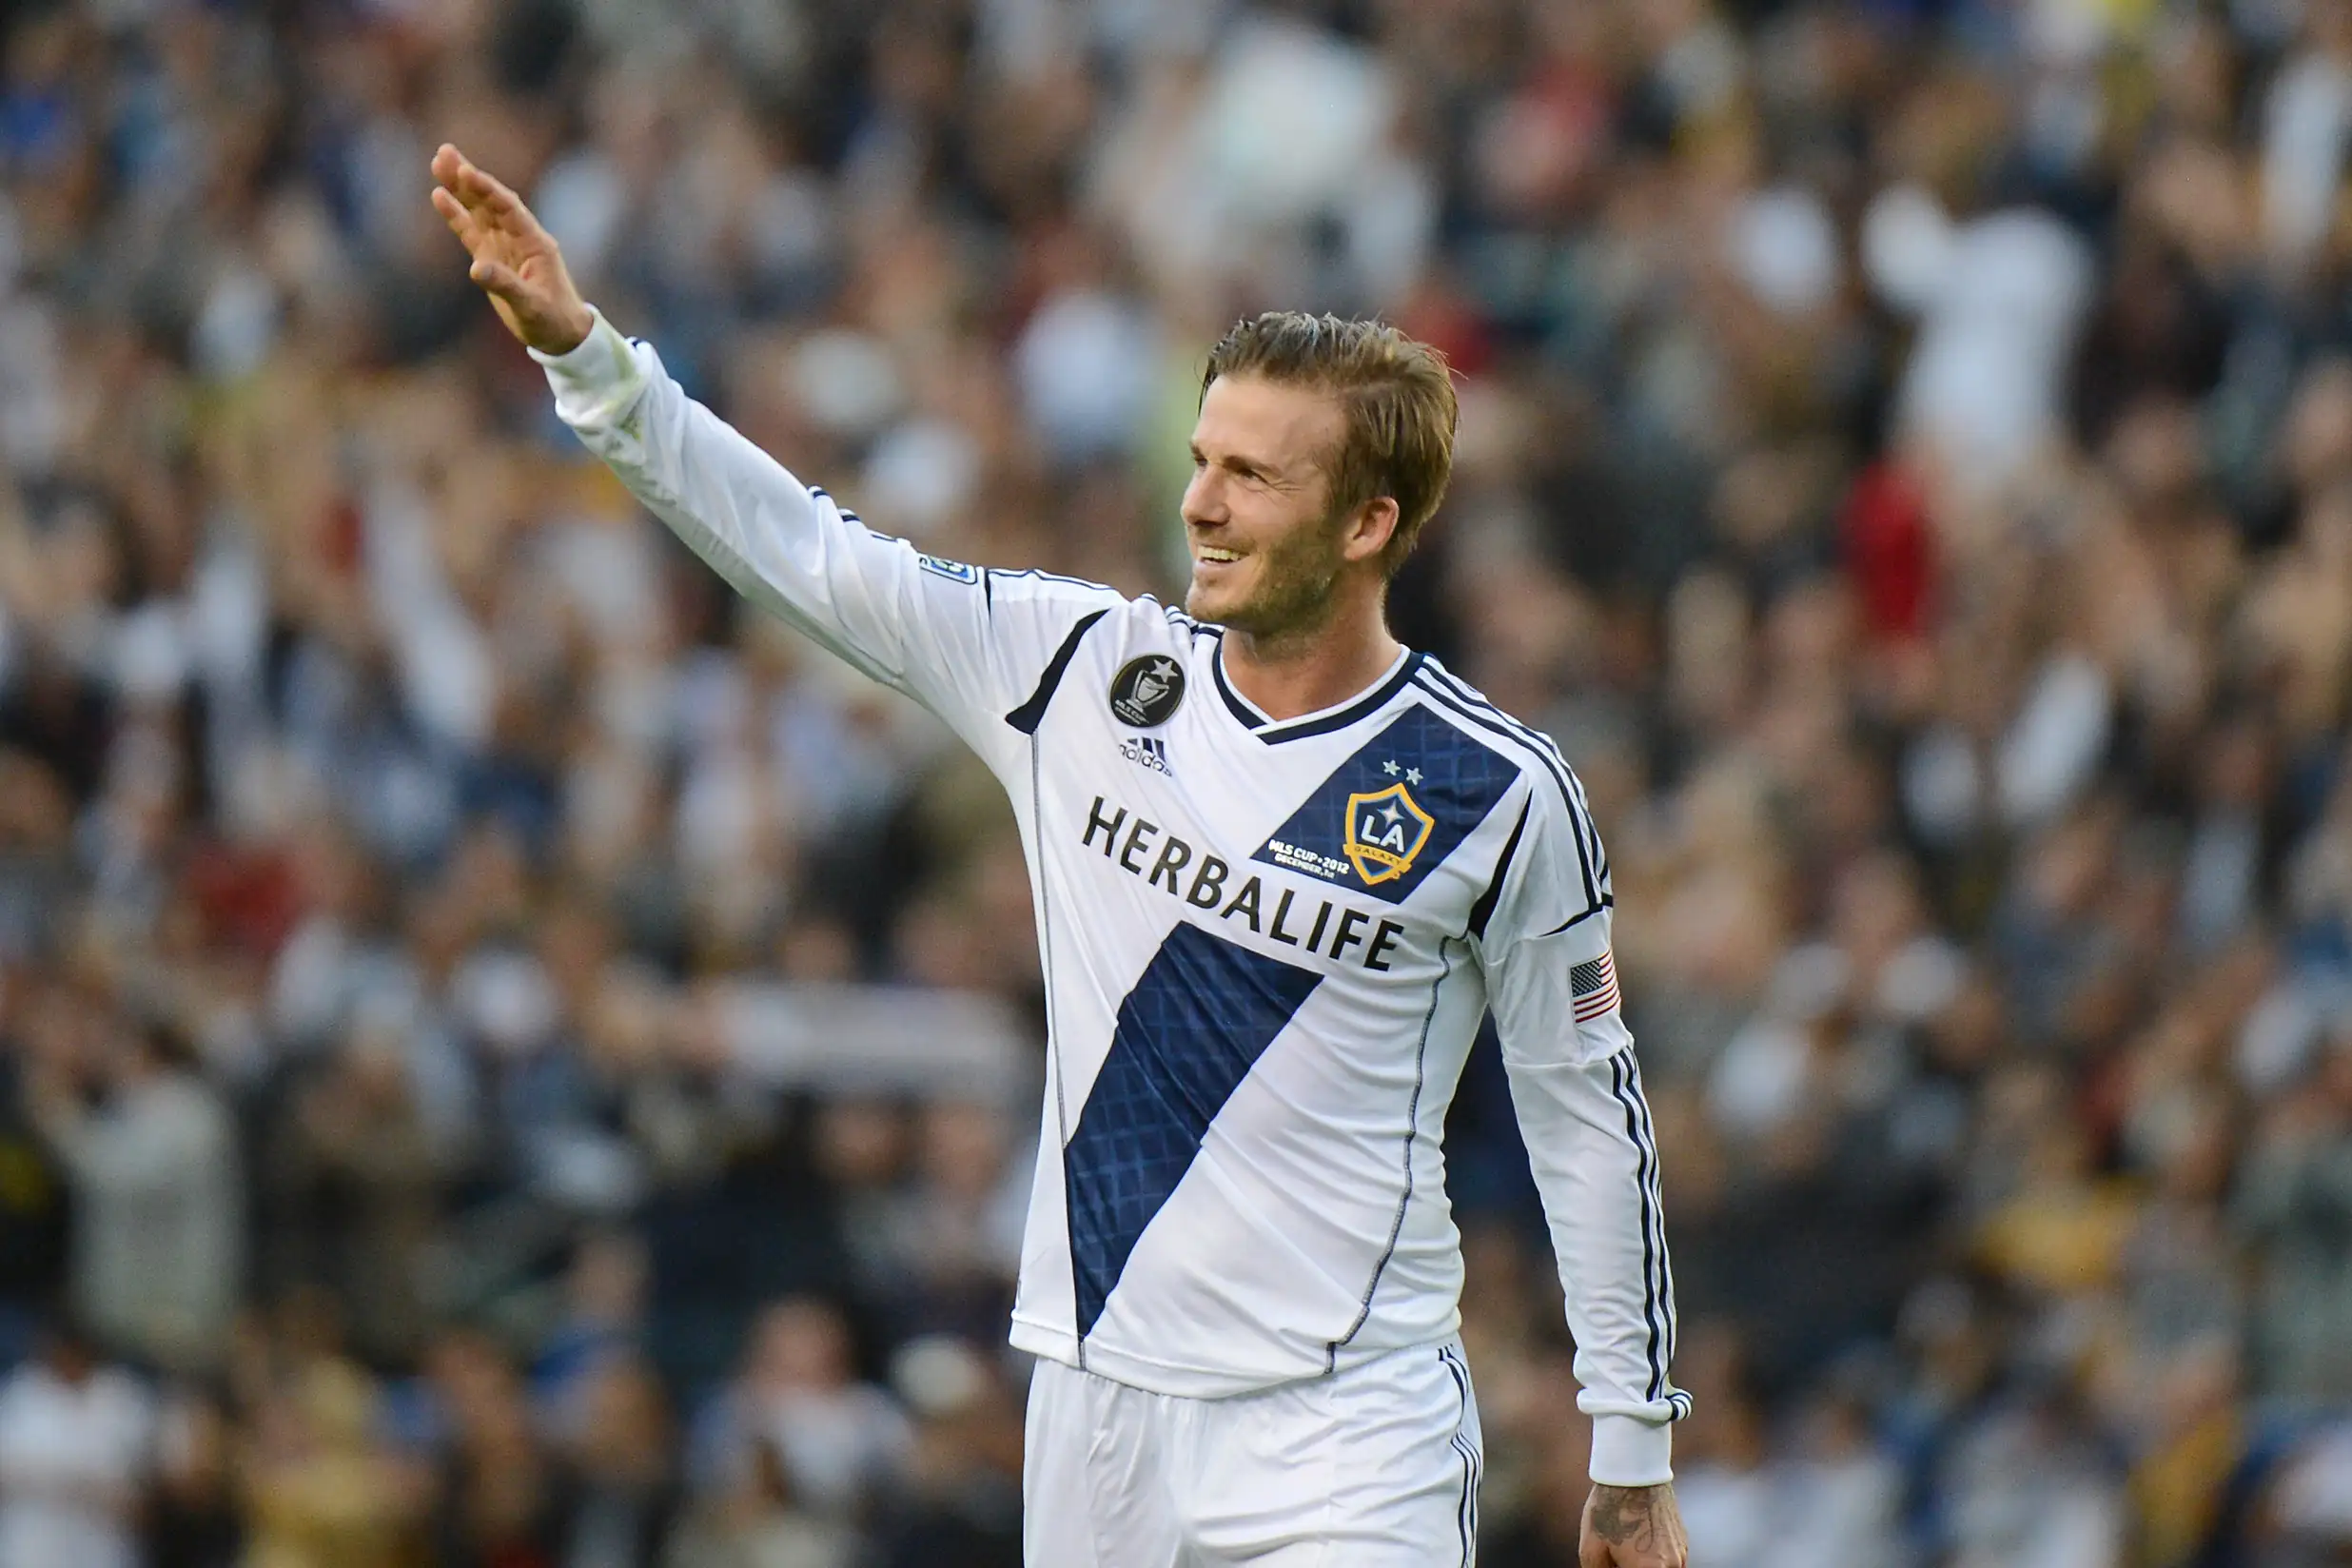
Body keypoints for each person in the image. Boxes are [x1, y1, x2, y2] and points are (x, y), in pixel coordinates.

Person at [431, 142, 1691, 1567]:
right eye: (1202, 461)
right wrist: (593, 362)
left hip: (1352, 1426)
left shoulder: (1498, 791)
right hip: (1097, 1403)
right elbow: (811, 553)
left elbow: (1586, 1113)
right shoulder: (1082, 670)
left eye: (1252, 480)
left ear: (1368, 523)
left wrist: (1629, 1440)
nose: (1199, 505)